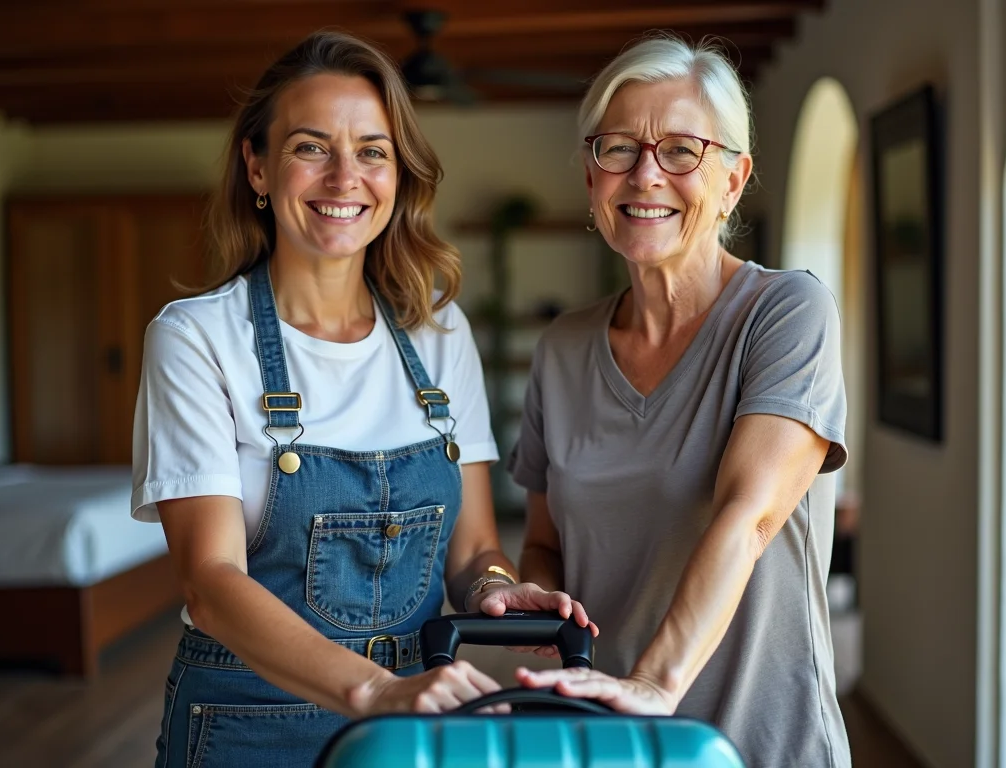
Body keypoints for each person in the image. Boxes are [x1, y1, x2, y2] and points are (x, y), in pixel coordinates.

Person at [130, 30, 593, 768]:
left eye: (373, 151)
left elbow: (473, 549)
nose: (345, 177)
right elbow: (211, 583)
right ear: (257, 166)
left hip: (411, 712)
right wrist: (373, 691)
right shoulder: (196, 338)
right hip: (248, 720)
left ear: (399, 175)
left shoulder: (439, 333)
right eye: (311, 147)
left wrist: (499, 589)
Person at [509, 35, 851, 767]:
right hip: (606, 743)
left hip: (761, 741)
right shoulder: (562, 350)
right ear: (591, 176)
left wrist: (654, 684)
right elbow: (544, 545)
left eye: (682, 151)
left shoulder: (787, 313)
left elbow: (750, 516)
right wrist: (538, 601)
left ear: (734, 179)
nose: (645, 175)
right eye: (619, 149)